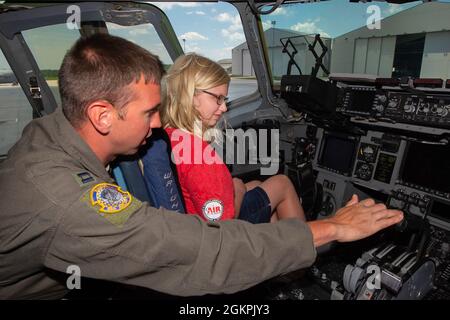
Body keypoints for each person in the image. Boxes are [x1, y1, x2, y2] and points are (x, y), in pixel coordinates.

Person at [0, 34, 403, 300]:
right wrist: (331, 226)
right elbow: (206, 247)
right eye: (149, 112)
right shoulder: (68, 201)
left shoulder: (48, 133)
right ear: (103, 116)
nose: (159, 125)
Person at [159, 54, 306, 224]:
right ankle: (302, 245)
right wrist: (238, 189)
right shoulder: (197, 155)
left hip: (194, 216)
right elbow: (221, 222)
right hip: (221, 230)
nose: (223, 108)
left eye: (225, 99)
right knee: (282, 183)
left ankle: (271, 245)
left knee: (257, 184)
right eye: (218, 98)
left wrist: (236, 186)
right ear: (191, 95)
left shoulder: (170, 134)